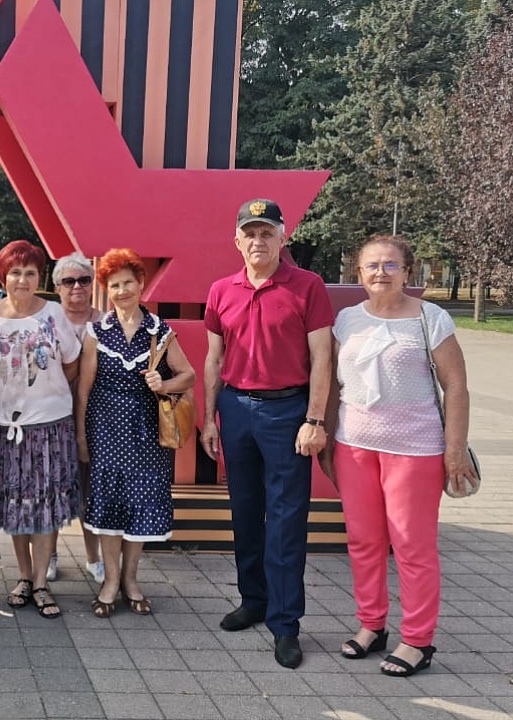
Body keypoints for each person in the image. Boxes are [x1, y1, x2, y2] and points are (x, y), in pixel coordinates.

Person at [320, 234, 472, 677]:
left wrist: (455, 449)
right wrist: (327, 437)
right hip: (355, 446)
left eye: (390, 265)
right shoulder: (347, 320)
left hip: (415, 450)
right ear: (359, 272)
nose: (380, 272)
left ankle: (418, 640)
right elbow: (333, 385)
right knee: (364, 541)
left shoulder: (430, 318)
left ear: (407, 271)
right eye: (372, 265)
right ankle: (372, 624)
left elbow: (456, 386)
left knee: (411, 546)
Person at [200, 199, 333, 669]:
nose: (258, 241)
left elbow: (322, 357)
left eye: (267, 232)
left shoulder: (307, 286)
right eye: (250, 233)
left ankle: (285, 622)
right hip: (236, 410)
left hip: (287, 412)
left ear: (282, 237)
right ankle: (253, 600)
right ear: (237, 240)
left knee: (285, 521)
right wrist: (209, 418)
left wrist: (315, 419)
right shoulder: (221, 290)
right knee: (245, 512)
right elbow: (214, 358)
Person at [75, 248, 195, 619]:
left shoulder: (160, 330)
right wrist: (81, 436)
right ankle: (110, 582)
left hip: (147, 434)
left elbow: (188, 375)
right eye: (114, 285)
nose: (122, 290)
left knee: (140, 505)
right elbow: (84, 389)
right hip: (106, 431)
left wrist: (164, 384)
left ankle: (130, 580)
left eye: (128, 282)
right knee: (110, 506)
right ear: (106, 291)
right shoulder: (97, 332)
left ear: (141, 283)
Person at [0, 240, 80, 619]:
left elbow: (71, 363)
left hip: (50, 428)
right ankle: (22, 576)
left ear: (40, 277)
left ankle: (40, 583)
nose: (22, 280)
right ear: (3, 276)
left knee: (47, 505)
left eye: (30, 273)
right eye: (15, 272)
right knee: (16, 505)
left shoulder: (53, 314)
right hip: (5, 428)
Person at [52, 251, 105, 583]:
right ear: (57, 286)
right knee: (53, 487)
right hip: (52, 415)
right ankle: (49, 555)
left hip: (97, 416)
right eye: (68, 281)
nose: (77, 287)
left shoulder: (106, 322)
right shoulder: (47, 319)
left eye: (84, 280)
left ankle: (93, 557)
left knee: (91, 489)